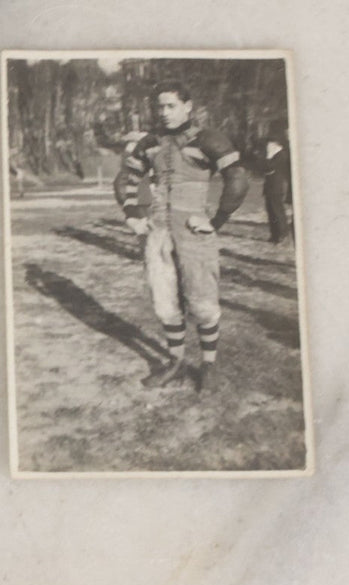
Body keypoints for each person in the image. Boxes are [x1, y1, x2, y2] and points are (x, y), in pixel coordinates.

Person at [113, 81, 247, 394]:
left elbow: (237, 178)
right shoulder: (150, 142)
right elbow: (126, 178)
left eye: (171, 105)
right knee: (164, 303)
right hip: (158, 232)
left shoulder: (208, 138)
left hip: (193, 232)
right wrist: (132, 213)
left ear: (188, 106)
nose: (164, 112)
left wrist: (217, 221)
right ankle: (174, 363)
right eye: (160, 107)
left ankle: (208, 366)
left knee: (202, 301)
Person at [262, 131, 293, 245]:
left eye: (269, 143)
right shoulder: (274, 155)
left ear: (275, 144)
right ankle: (274, 235)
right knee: (270, 211)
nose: (267, 146)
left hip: (277, 187)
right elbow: (264, 168)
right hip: (270, 187)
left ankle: (283, 234)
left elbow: (269, 168)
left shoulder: (280, 155)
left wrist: (268, 157)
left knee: (277, 211)